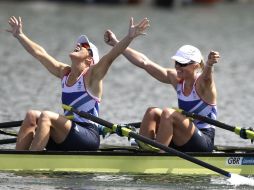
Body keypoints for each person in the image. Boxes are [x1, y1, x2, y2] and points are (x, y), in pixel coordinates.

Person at [7, 16, 150, 151]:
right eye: (79, 43)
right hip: (68, 133)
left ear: (90, 60)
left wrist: (129, 37)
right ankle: (17, 160)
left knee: (46, 116)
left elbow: (112, 56)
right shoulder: (64, 72)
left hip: (88, 135)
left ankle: (31, 163)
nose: (78, 45)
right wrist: (20, 35)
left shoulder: (93, 75)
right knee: (31, 115)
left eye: (84, 45)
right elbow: (40, 54)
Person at [104, 30, 220, 152]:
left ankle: (159, 155)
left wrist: (209, 64)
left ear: (196, 66)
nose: (178, 67)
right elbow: (144, 62)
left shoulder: (203, 84)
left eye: (182, 64)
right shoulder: (177, 79)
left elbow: (207, 77)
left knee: (168, 113)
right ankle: (144, 151)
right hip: (182, 136)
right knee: (152, 112)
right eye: (177, 63)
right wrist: (117, 44)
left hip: (203, 141)